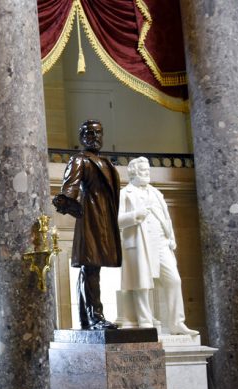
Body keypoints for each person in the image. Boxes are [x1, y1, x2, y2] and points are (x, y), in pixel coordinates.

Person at [53, 119, 121, 330]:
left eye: (98, 133)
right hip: (91, 218)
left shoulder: (107, 164)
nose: (95, 137)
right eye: (89, 133)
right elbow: (67, 192)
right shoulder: (79, 160)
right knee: (90, 266)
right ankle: (95, 316)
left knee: (92, 267)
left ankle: (86, 317)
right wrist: (74, 207)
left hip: (106, 219)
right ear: (81, 138)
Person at [118, 157, 198, 335]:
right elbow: (116, 220)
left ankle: (177, 323)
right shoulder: (125, 193)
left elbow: (166, 217)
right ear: (133, 172)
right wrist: (136, 215)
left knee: (174, 280)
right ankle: (145, 323)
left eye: (148, 170)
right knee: (142, 284)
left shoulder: (156, 192)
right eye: (143, 170)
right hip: (139, 243)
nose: (147, 173)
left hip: (162, 243)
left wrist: (171, 237)